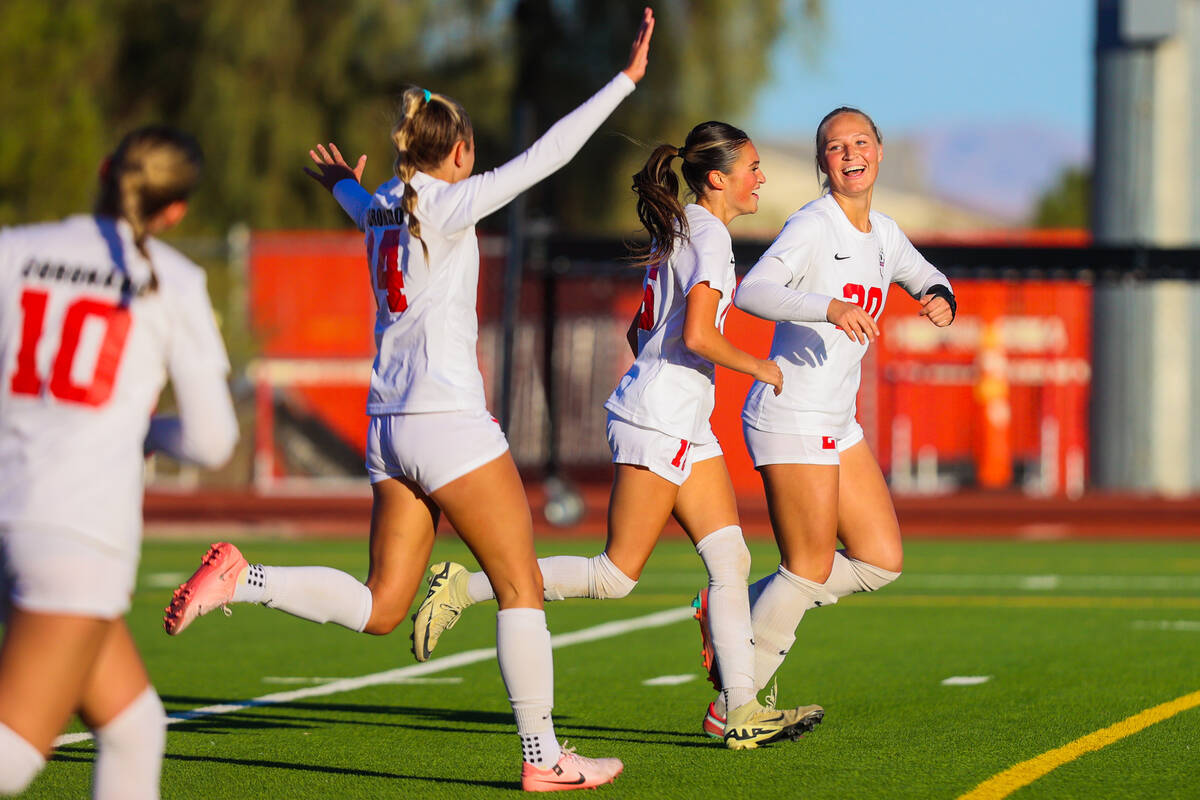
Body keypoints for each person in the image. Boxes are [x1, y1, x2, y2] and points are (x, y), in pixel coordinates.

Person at [163, 8, 654, 791]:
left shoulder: (386, 205)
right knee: (521, 586)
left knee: (383, 606)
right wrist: (624, 82)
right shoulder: (446, 203)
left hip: (386, 429)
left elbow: (361, 203)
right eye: (469, 150)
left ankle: (244, 579)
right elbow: (547, 155)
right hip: (447, 422)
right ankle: (543, 759)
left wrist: (342, 183)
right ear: (456, 151)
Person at [412, 120, 823, 749]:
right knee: (614, 577)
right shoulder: (707, 237)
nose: (761, 177)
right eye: (753, 167)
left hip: (680, 416)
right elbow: (697, 337)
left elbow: (644, 333)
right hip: (661, 419)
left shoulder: (688, 226)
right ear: (719, 178)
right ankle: (463, 587)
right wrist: (760, 366)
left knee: (731, 558)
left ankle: (740, 707)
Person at [694, 106, 956, 729]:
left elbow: (925, 275)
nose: (850, 153)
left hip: (837, 420)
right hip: (790, 411)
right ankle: (738, 705)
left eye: (860, 142)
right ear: (823, 164)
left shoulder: (885, 234)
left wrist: (938, 296)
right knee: (807, 568)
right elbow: (752, 291)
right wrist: (829, 307)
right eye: (835, 147)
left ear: (880, 150)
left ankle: (731, 613)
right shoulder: (813, 225)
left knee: (879, 559)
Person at [0, 125, 238, 799]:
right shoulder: (176, 282)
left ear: (104, 170)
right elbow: (213, 441)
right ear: (175, 211)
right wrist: (144, 430)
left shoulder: (13, 249)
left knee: (135, 728)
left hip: (10, 511)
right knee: (12, 755)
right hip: (74, 531)